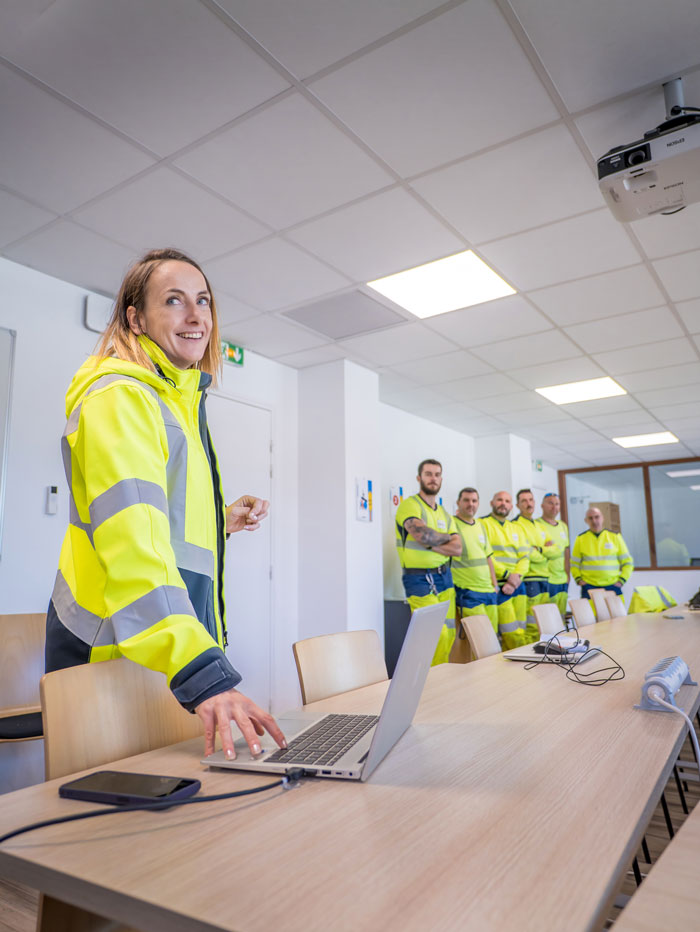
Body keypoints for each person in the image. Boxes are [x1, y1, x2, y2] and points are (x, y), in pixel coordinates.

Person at [45, 248, 286, 762]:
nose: (196, 315)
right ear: (136, 318)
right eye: (174, 301)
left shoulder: (175, 402)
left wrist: (219, 524)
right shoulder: (122, 397)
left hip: (160, 645)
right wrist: (203, 671)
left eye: (204, 301)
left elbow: (158, 522)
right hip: (114, 650)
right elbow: (134, 545)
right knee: (114, 836)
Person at [394, 459, 461, 665]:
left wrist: (431, 542)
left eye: (437, 474)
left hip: (445, 576)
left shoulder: (443, 513)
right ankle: (427, 685)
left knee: (449, 633)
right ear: (419, 478)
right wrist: (439, 539)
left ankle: (439, 681)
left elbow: (458, 548)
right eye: (429, 474)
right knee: (434, 633)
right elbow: (422, 536)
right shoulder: (410, 505)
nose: (433, 478)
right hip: (419, 578)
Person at [480, 491, 529, 649]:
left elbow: (524, 557)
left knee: (521, 629)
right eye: (499, 500)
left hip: (518, 585)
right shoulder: (482, 524)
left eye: (507, 501)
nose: (503, 503)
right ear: (491, 503)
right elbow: (485, 555)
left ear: (512, 506)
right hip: (499, 585)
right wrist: (507, 575)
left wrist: (516, 578)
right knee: (511, 634)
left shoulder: (516, 528)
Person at [452, 488, 498, 636]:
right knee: (480, 639)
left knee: (492, 638)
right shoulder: (452, 524)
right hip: (468, 591)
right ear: (458, 502)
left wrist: (494, 585)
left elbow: (488, 557)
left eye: (474, 500)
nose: (470, 504)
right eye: (466, 500)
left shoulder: (480, 526)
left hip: (488, 591)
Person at [511, 489, 554, 642]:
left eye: (530, 500)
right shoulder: (516, 525)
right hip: (530, 579)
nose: (528, 504)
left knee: (543, 622)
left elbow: (555, 551)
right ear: (517, 505)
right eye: (524, 501)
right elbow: (527, 552)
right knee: (531, 623)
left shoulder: (540, 525)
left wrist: (540, 550)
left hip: (544, 577)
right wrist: (544, 554)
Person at [571, 506, 634, 600]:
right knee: (590, 615)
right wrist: (578, 579)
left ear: (602, 518)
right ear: (586, 520)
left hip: (613, 586)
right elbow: (574, 563)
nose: (594, 521)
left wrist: (621, 581)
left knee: (617, 614)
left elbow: (628, 562)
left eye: (597, 517)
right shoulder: (580, 539)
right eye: (590, 518)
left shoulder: (615, 537)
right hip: (589, 586)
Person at [536, 493, 570, 617]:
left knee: (560, 617)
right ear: (542, 505)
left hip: (562, 579)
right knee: (547, 617)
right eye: (550, 503)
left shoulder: (563, 526)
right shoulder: (537, 525)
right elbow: (536, 550)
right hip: (547, 579)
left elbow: (566, 551)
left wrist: (568, 575)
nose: (554, 507)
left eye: (557, 504)